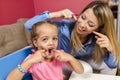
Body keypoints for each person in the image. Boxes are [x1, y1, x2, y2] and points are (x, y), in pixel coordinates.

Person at [24, 1, 120, 75]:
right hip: (60, 59)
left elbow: (113, 65)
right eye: (83, 17)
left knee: (110, 67)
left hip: (80, 57)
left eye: (90, 24)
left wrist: (110, 49)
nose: (82, 25)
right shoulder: (63, 27)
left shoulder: (97, 38)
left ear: (99, 28)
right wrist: (55, 14)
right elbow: (28, 25)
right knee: (86, 69)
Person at [6, 21, 84, 80]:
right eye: (45, 39)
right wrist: (30, 61)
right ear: (35, 43)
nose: (51, 43)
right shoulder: (33, 59)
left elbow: (80, 71)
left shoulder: (59, 56)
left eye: (54, 38)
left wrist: (70, 58)